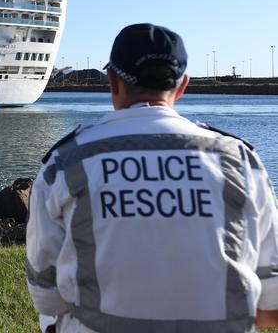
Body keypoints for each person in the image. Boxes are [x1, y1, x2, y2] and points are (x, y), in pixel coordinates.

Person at [26, 23, 278, 333]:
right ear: (182, 86)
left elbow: (46, 298)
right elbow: (271, 309)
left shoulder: (66, 162)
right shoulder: (240, 161)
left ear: (113, 81)